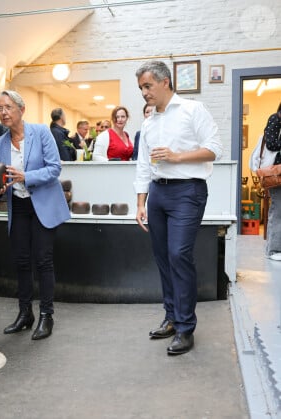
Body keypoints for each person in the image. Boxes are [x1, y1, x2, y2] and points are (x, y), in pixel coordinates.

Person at [133, 60, 223, 355]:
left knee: (178, 255)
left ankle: (186, 327)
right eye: (141, 88)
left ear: (165, 82)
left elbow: (215, 149)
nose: (144, 92)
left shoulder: (192, 110)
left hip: (188, 192)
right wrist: (140, 202)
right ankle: (171, 317)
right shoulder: (149, 122)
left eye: (148, 86)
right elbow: (144, 165)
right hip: (158, 194)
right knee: (162, 258)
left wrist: (177, 157)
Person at [0, 90, 71, 340]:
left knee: (43, 261)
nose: (3, 113)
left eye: (7, 107)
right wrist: (0, 186)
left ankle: (46, 316)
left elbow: (54, 168)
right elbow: (3, 177)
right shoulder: (0, 143)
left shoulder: (41, 132)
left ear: (21, 109)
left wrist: (27, 176)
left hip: (43, 206)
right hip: (18, 206)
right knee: (21, 262)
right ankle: (25, 314)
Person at [263, 102, 281, 261]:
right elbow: (271, 143)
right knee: (278, 210)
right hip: (277, 173)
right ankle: (274, 250)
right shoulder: (276, 119)